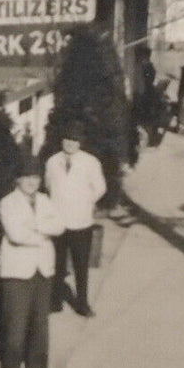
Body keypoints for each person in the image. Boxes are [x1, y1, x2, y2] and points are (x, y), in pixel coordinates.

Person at [0, 158, 64, 368]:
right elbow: (15, 234)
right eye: (26, 178)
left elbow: (59, 226)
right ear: (17, 179)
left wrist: (35, 228)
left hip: (43, 268)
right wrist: (42, 233)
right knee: (16, 323)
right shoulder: (8, 203)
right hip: (17, 271)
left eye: (35, 178)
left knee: (40, 323)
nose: (31, 182)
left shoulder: (45, 201)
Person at [44, 122, 107, 318]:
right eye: (67, 139)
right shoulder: (52, 162)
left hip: (81, 222)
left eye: (74, 140)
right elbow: (48, 186)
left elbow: (100, 188)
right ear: (62, 140)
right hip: (59, 223)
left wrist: (84, 201)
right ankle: (55, 302)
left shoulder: (91, 162)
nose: (70, 143)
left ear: (80, 142)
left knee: (81, 266)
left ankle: (82, 303)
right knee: (57, 264)